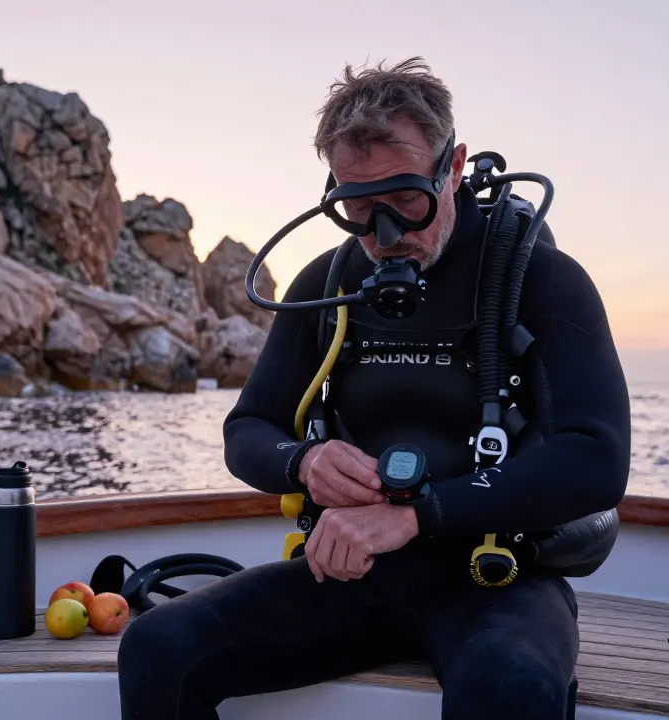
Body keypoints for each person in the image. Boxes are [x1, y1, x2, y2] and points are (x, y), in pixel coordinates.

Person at [116, 57, 631, 720]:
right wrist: (304, 461)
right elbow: (248, 431)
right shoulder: (325, 286)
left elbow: (596, 459)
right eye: (357, 209)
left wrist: (417, 515)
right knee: (158, 645)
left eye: (406, 202)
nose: (384, 238)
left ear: (452, 167)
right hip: (349, 573)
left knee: (511, 685)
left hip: (495, 579)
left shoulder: (541, 279)